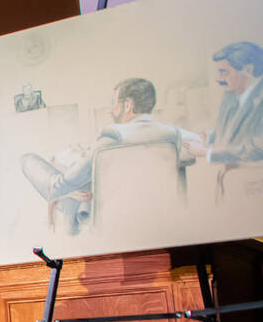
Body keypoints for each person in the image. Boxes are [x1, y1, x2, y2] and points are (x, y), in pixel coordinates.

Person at [20, 78, 196, 234]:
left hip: (110, 213)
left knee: (29, 160)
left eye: (114, 103)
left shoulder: (113, 135)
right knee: (83, 182)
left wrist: (67, 185)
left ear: (128, 105)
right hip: (153, 213)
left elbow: (69, 180)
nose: (112, 110)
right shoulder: (172, 134)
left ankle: (72, 215)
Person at [205, 42, 263, 163]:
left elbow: (256, 150)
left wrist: (209, 153)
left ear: (248, 70)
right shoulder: (230, 95)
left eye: (224, 72)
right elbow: (232, 135)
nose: (218, 78)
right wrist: (210, 137)